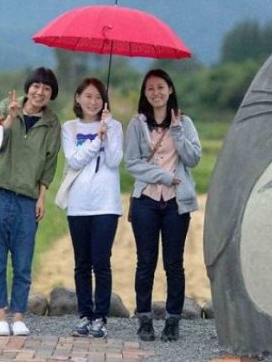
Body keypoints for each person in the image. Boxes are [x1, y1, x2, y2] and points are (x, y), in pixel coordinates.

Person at [0, 67, 61, 336]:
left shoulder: (52, 123)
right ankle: (0, 316)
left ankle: (18, 316)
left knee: (23, 263)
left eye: (46, 88)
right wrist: (9, 120)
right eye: (36, 86)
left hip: (27, 200)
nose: (40, 92)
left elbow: (49, 163)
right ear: (28, 88)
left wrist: (42, 197)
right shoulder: (6, 106)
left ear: (51, 95)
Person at [125, 69, 201, 342]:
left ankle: (172, 320)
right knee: (145, 263)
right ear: (145, 94)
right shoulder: (137, 124)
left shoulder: (185, 123)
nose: (156, 93)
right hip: (146, 200)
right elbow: (132, 163)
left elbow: (193, 159)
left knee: (174, 264)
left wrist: (178, 131)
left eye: (160, 87)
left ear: (170, 89)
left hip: (175, 204)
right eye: (150, 89)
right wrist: (165, 176)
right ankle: (144, 318)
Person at [61, 78, 123, 338]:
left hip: (106, 204)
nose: (93, 101)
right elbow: (74, 160)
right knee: (81, 263)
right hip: (78, 204)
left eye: (98, 97)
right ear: (78, 98)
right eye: (87, 96)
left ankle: (101, 318)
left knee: (102, 262)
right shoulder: (69, 128)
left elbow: (114, 159)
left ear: (104, 101)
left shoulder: (115, 126)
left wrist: (106, 134)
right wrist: (96, 140)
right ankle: (85, 315)